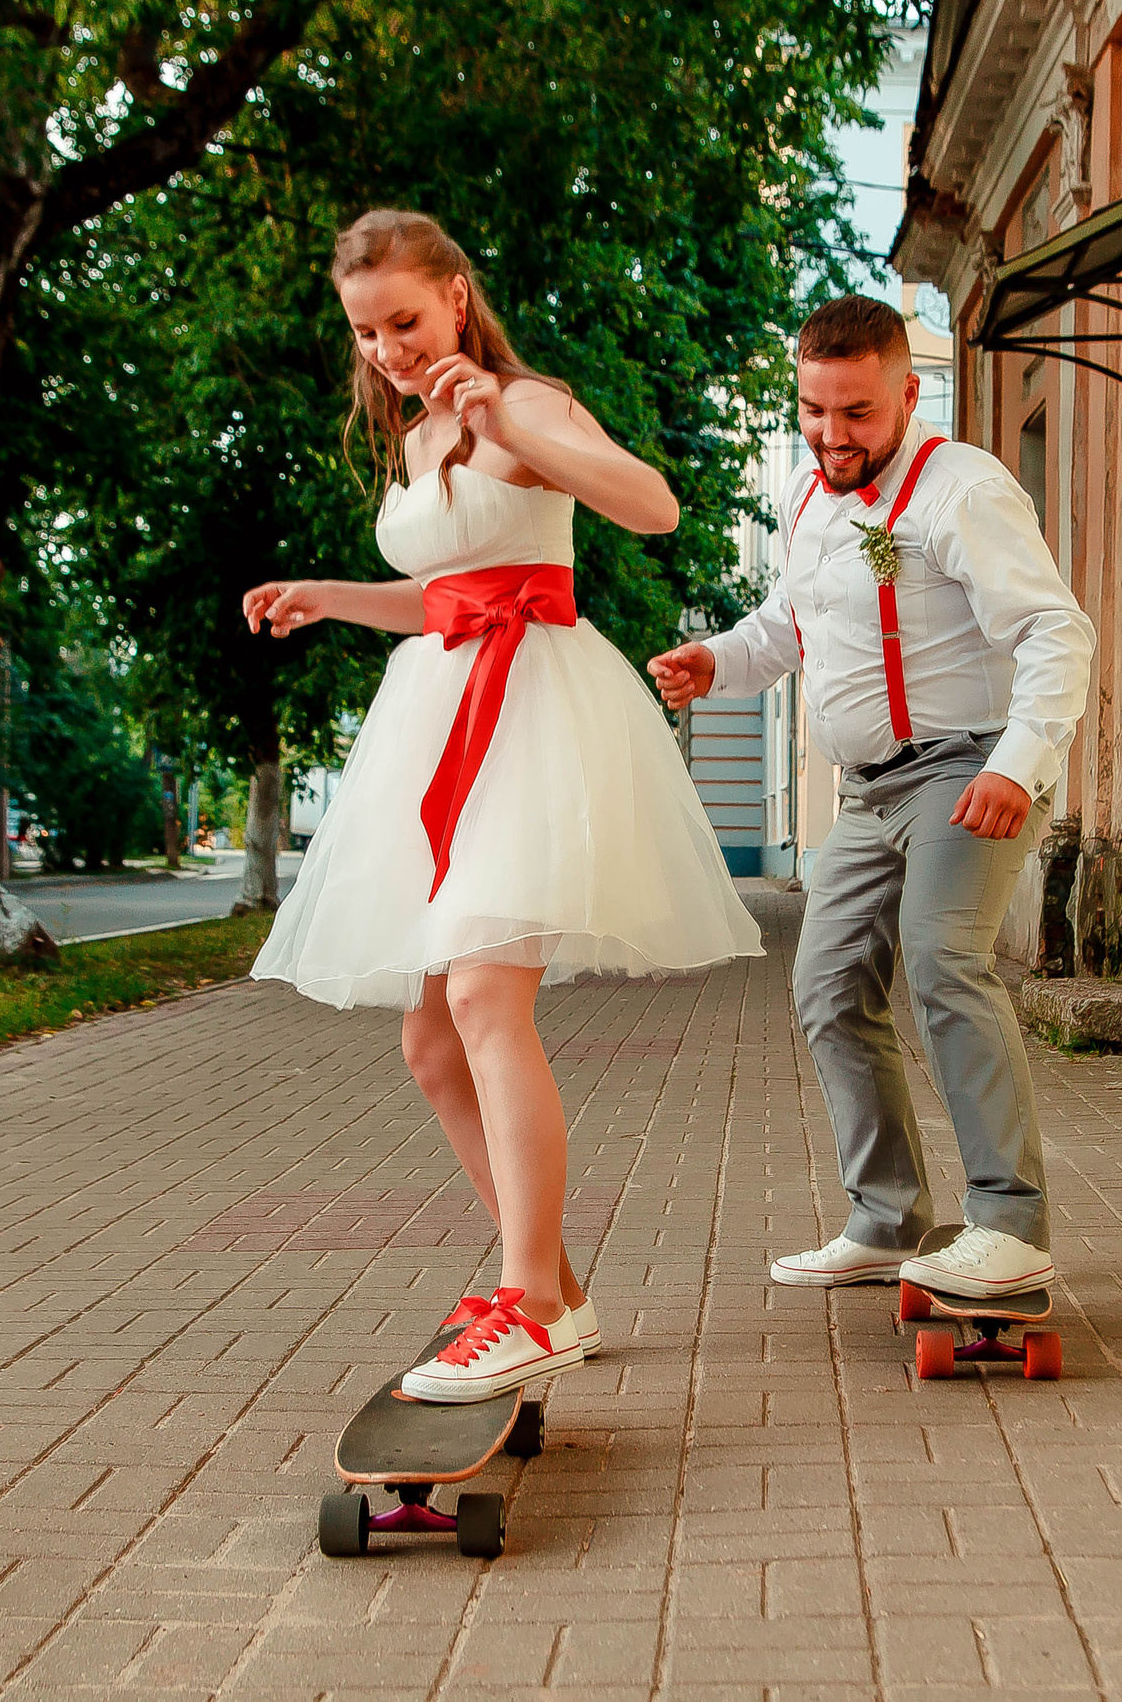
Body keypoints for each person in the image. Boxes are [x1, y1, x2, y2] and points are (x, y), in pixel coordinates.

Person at [244, 210, 763, 1402]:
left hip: (530, 709)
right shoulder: (420, 438)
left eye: (405, 321)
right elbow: (443, 596)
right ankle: (560, 1292)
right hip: (440, 708)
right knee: (431, 1042)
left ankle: (525, 1301)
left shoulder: (517, 404)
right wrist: (329, 596)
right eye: (366, 330)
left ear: (458, 298)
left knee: (481, 993)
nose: (385, 347)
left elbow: (650, 507)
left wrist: (504, 421)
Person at [649, 296, 1093, 1301]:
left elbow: (1056, 635)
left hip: (964, 772)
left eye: (854, 413)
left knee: (944, 963)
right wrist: (711, 661)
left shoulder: (962, 493)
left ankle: (1009, 1224)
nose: (830, 434)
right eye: (813, 409)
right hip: (867, 794)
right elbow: (784, 627)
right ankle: (889, 1218)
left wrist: (1015, 764)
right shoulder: (812, 502)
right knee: (827, 989)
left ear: (906, 392)